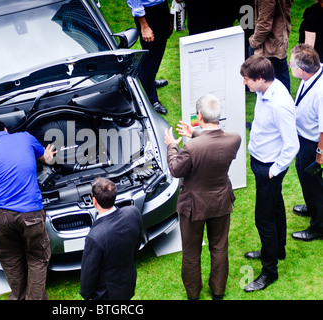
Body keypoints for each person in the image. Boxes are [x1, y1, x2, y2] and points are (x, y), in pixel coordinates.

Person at [164, 94, 241, 300]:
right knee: (219, 247)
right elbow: (213, 145)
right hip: (221, 201)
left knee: (191, 252)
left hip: (193, 206)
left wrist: (172, 145)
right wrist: (196, 133)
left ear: (198, 116)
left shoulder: (191, 147)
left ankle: (193, 294)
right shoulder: (235, 139)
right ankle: (218, 292)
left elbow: (175, 169)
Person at [0, 116, 56, 300]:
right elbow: (44, 158)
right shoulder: (25, 137)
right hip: (31, 214)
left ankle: (18, 297)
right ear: (5, 129)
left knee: (10, 259)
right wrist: (50, 155)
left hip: (2, 216)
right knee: (37, 257)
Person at [240, 55, 299, 292]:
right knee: (275, 206)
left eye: (247, 80)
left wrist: (273, 171)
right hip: (261, 160)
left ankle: (269, 271)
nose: (245, 84)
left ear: (261, 78)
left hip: (269, 167)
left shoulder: (279, 104)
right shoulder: (264, 90)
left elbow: (292, 145)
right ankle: (278, 249)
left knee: (263, 218)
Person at [79, 177, 143, 300]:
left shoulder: (95, 237)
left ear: (94, 201)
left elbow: (88, 274)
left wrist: (87, 295)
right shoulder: (133, 212)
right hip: (127, 282)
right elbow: (136, 244)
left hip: (106, 294)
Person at [289, 44, 323, 241]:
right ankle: (312, 208)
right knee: (305, 177)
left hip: (312, 145)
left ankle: (319, 226)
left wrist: (319, 153)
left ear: (301, 70)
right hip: (304, 140)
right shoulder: (313, 73)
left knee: (313, 184)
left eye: (292, 64)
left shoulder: (320, 93)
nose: (289, 66)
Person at [126, 0, 171, 115]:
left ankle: (148, 81)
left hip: (162, 7)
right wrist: (144, 26)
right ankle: (151, 99)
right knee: (151, 56)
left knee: (158, 50)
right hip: (149, 13)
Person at [249, 0, 293, 92]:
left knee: (263, 82)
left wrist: (253, 42)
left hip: (269, 45)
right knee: (281, 76)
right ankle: (285, 103)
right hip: (279, 40)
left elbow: (264, 25)